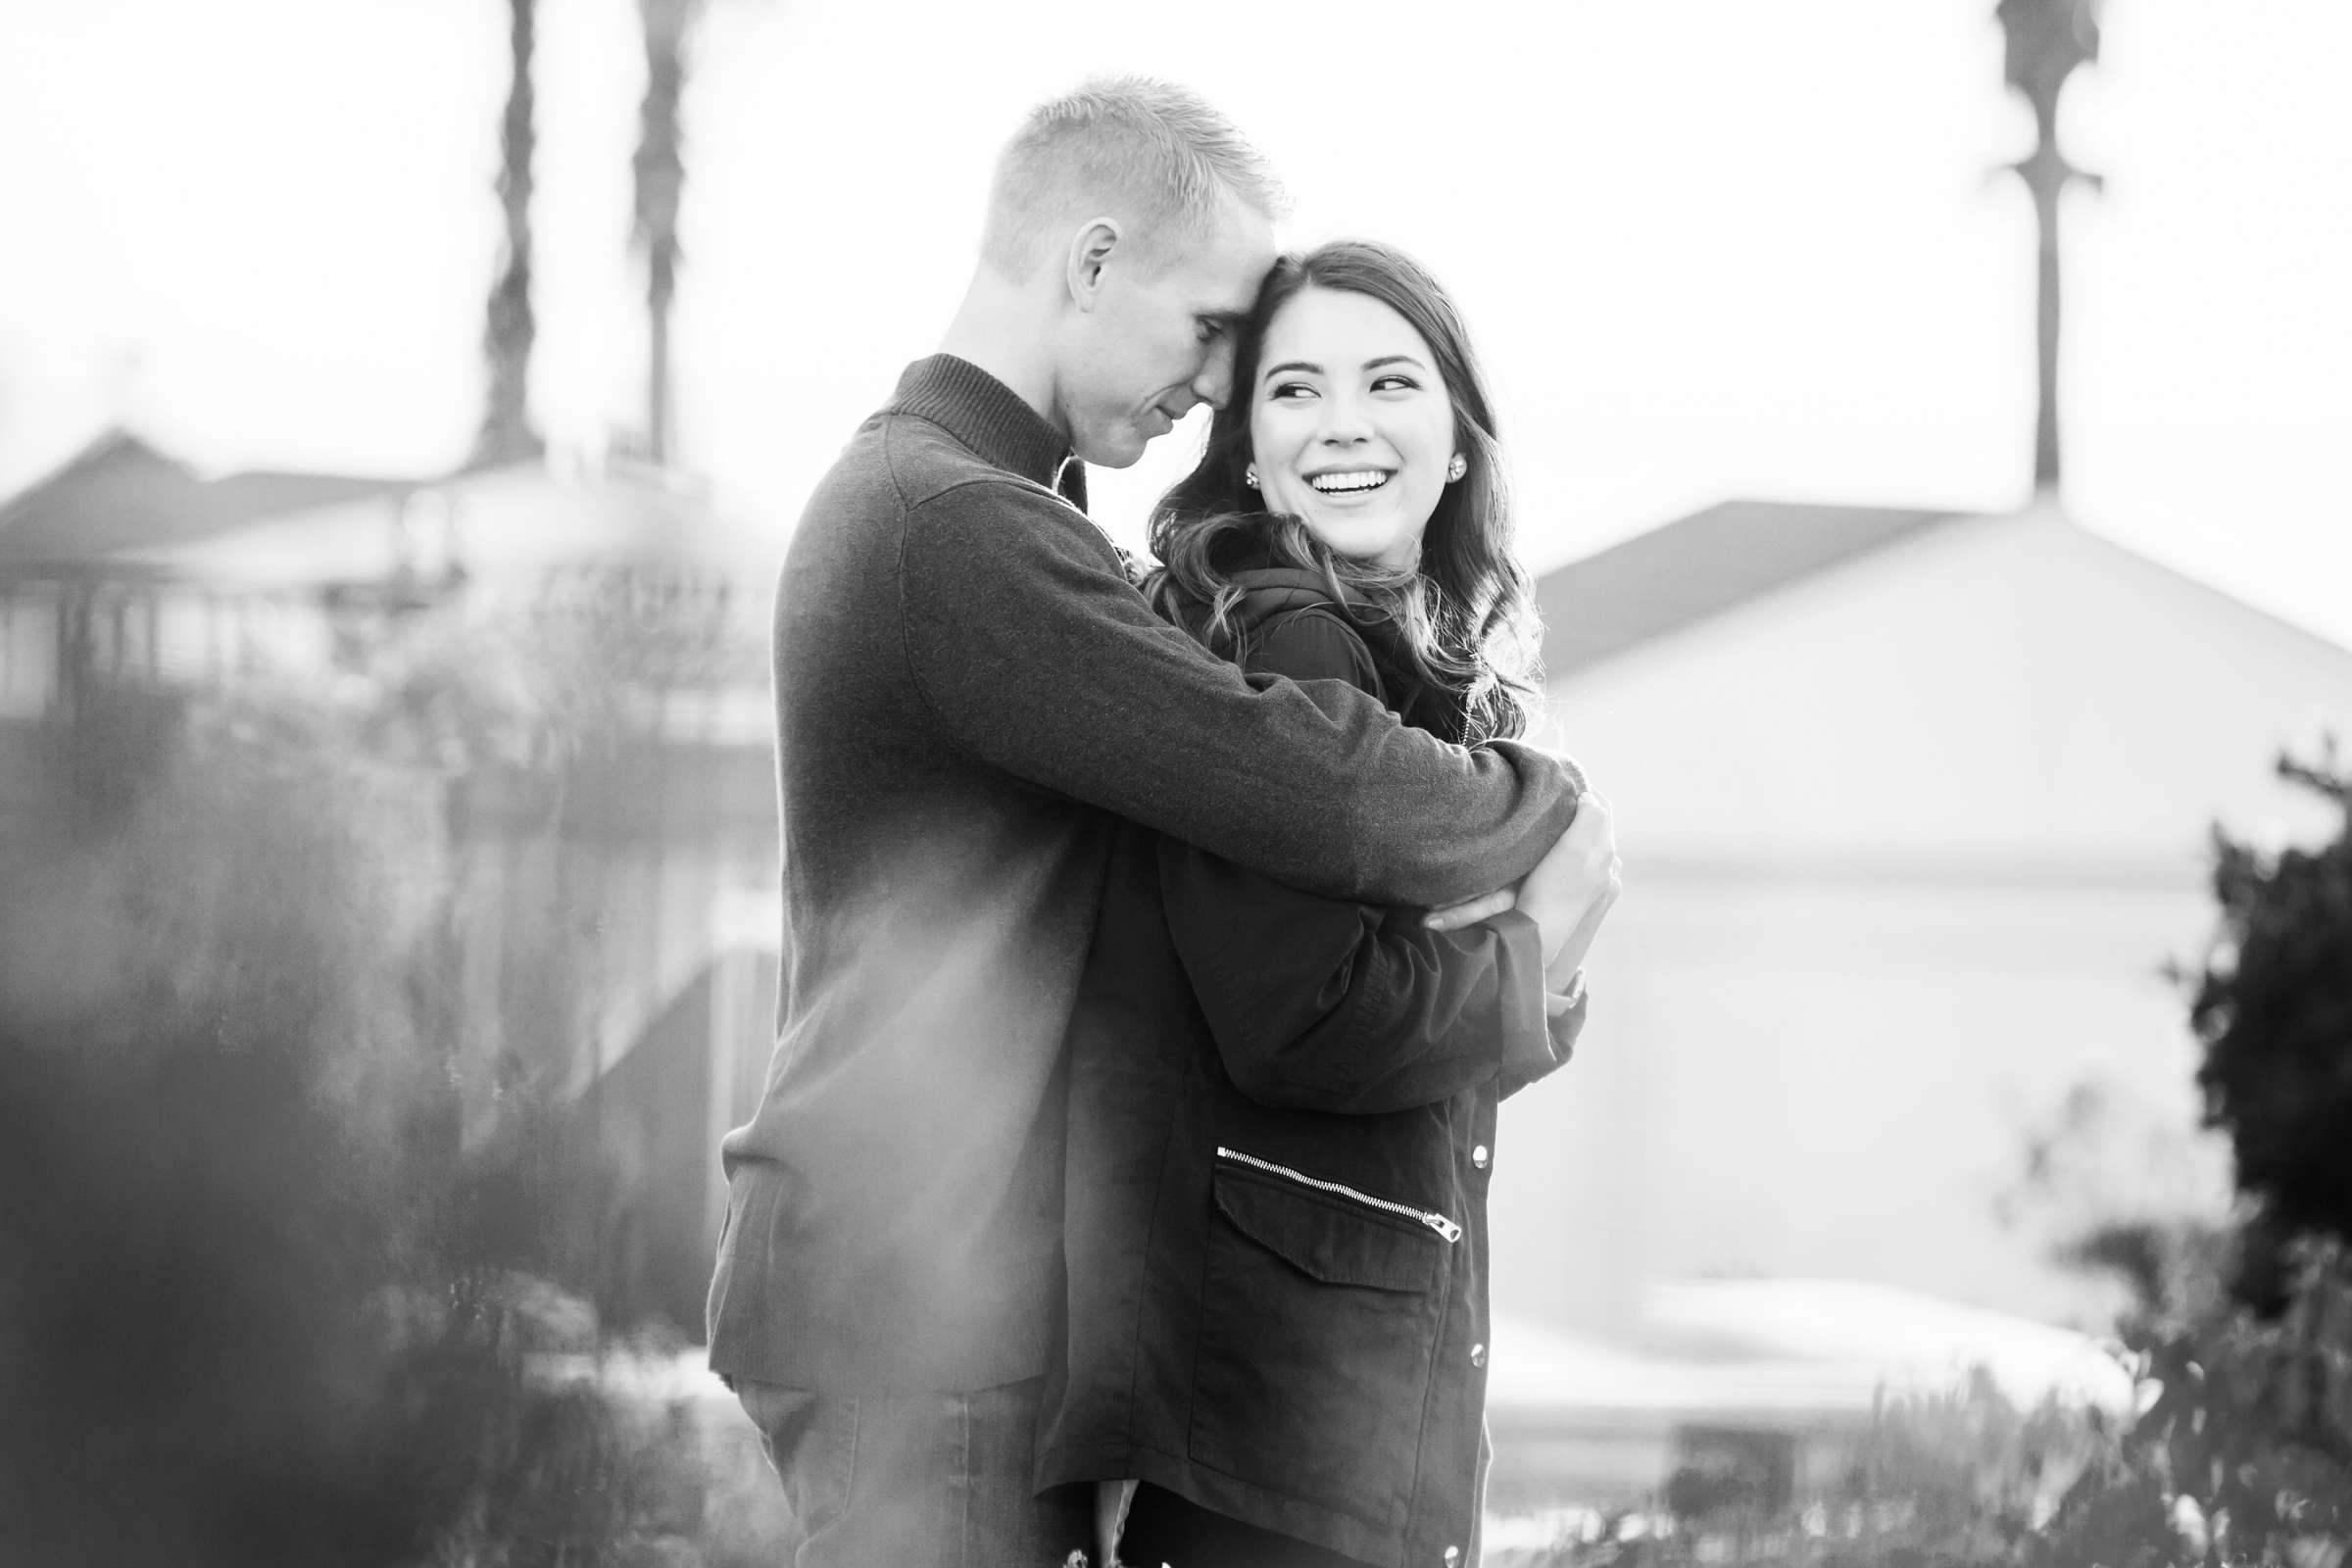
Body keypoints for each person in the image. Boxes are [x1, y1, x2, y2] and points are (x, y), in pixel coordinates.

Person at [706, 79, 1611, 1567]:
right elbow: (1304, 780)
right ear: (1093, 261)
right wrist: (1543, 810)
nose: (1211, 385)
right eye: (1209, 332)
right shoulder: (955, 526)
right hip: (914, 1293)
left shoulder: (980, 510)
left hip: (920, 1279)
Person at [1038, 239, 1619, 1568]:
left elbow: (1406, 1047)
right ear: (1248, 448)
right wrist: (1534, 956)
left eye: (1389, 383)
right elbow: (1308, 1022)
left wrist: (1535, 977)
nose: (1342, 425)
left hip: (1309, 1428)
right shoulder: (1287, 652)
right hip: (1269, 1440)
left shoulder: (1404, 674)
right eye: (1294, 391)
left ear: (1460, 442)